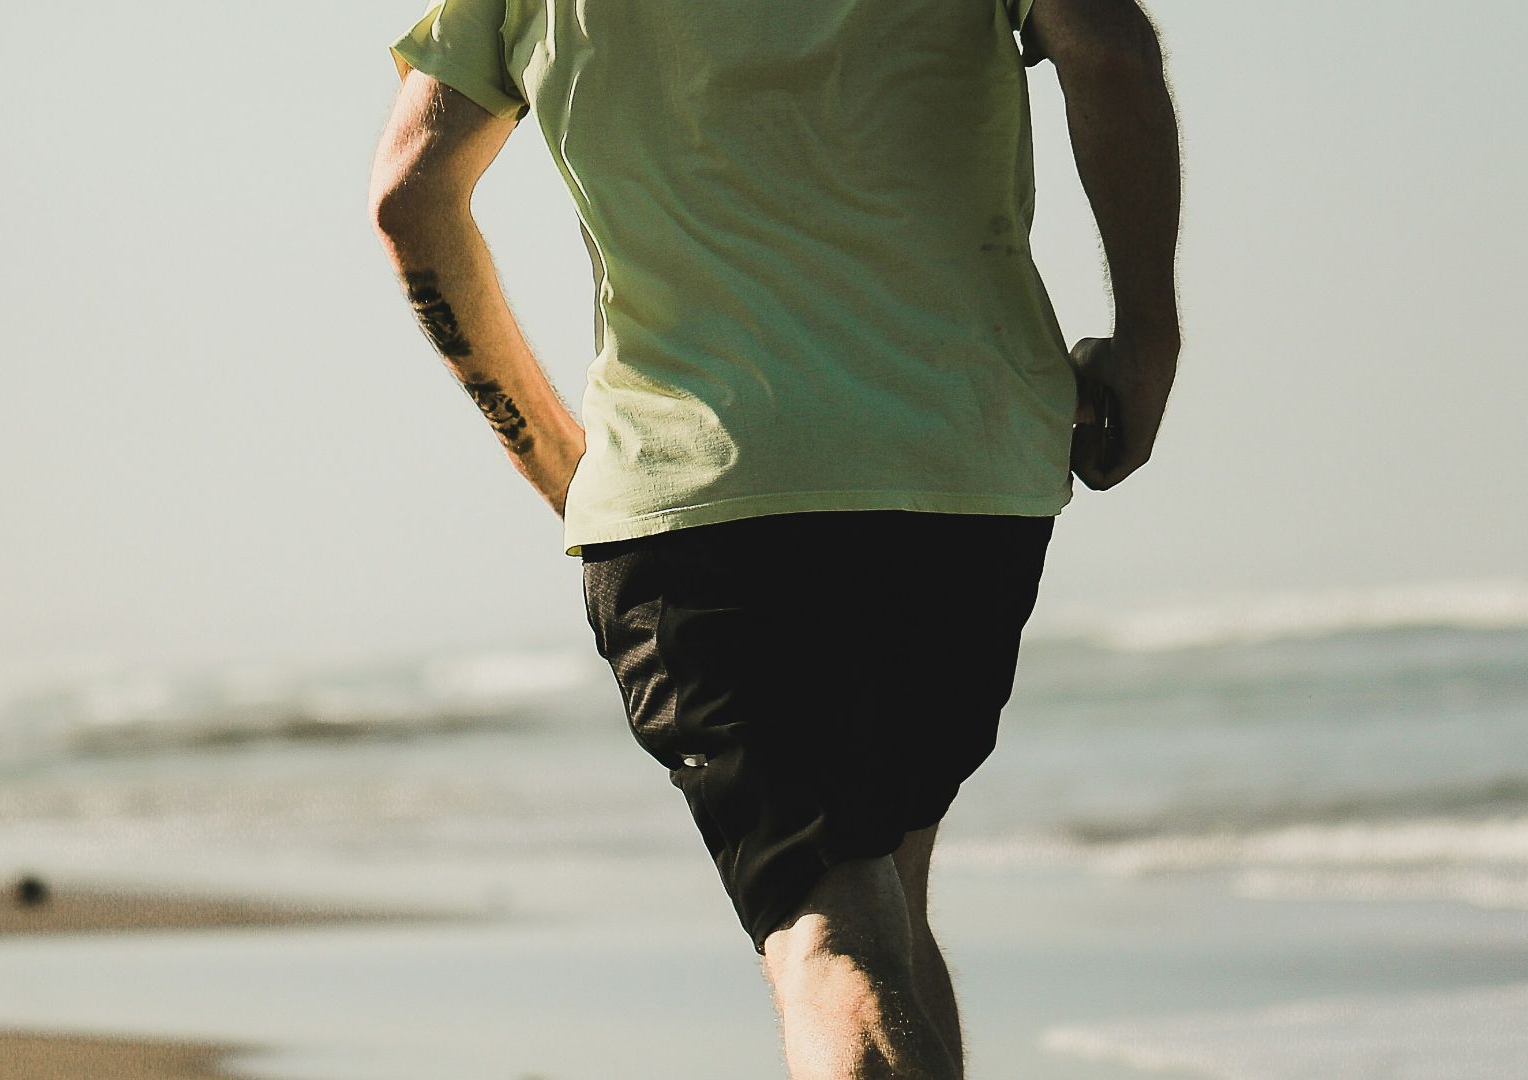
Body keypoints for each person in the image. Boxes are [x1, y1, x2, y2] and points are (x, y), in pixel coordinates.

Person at [368, 0, 1180, 1076]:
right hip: (962, 472)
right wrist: (1148, 338)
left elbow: (412, 198)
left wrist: (558, 457)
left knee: (827, 937)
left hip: (705, 492)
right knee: (884, 891)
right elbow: (1107, 48)